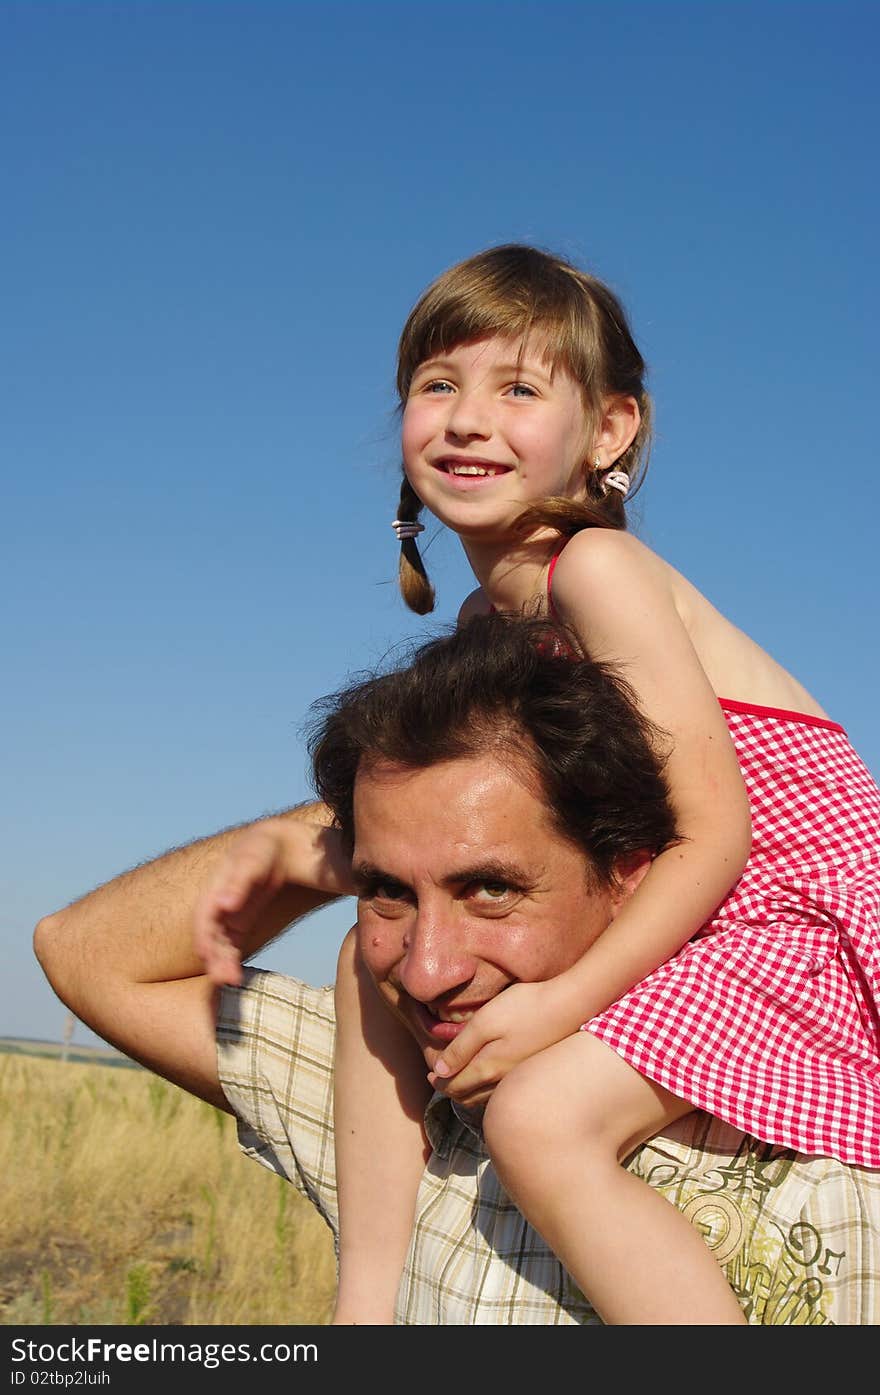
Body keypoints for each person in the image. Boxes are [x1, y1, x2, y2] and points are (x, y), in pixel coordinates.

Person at [285, 241, 877, 1324]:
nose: (468, 419)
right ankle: (365, 1308)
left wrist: (560, 1003)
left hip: (785, 910)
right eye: (438, 385)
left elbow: (716, 836)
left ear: (608, 431)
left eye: (518, 388)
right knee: (371, 956)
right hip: (686, 896)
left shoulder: (594, 573)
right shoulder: (482, 625)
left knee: (541, 1118)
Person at [33, 614, 880, 1324]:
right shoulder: (395, 1090)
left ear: (631, 876)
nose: (428, 970)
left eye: (490, 888)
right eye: (386, 892)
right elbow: (84, 951)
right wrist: (330, 834)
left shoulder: (823, 1123)